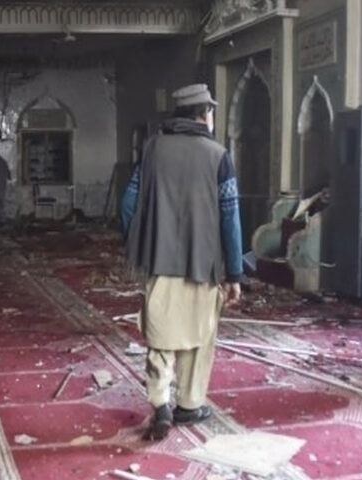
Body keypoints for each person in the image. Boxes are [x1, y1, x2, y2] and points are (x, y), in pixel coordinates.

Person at [124, 84, 243, 441]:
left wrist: (140, 242)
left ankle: (160, 402)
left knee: (161, 330)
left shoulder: (152, 149)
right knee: (198, 333)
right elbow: (230, 217)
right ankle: (190, 405)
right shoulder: (218, 155)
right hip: (203, 263)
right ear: (205, 113)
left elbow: (128, 203)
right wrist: (234, 273)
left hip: (158, 259)